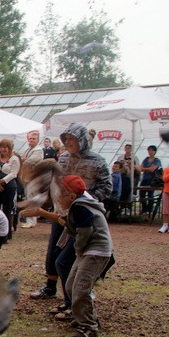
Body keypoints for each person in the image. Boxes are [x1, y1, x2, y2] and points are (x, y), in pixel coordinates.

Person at [22, 122, 111, 317]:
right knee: (55, 253)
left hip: (81, 215)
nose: (69, 142)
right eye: (66, 139)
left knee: (71, 257)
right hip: (61, 212)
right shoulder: (62, 159)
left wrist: (85, 201)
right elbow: (54, 184)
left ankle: (77, 297)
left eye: (72, 139)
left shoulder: (97, 161)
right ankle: (52, 287)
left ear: (82, 140)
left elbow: (107, 187)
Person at [55, 175, 113, 337]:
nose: (58, 199)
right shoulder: (79, 206)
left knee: (81, 288)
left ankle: (89, 327)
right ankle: (85, 317)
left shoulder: (80, 207)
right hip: (88, 250)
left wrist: (78, 250)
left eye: (60, 195)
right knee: (71, 286)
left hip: (96, 252)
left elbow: (84, 232)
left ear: (71, 196)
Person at [0, 138, 20, 240]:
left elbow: (13, 173)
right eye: (2, 147)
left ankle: (6, 235)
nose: (3, 149)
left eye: (5, 147)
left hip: (9, 186)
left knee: (7, 210)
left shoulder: (14, 159)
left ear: (9, 148)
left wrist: (2, 181)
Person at [20, 131, 45, 228]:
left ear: (37, 140)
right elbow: (23, 159)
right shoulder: (28, 149)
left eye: (33, 139)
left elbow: (29, 161)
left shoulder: (38, 150)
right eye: (30, 138)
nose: (31, 140)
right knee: (29, 198)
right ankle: (31, 220)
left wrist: (24, 159)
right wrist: (24, 159)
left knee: (32, 199)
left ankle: (31, 221)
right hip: (27, 177)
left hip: (34, 177)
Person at [138, 145, 162, 215]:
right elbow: (140, 168)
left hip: (152, 180)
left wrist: (145, 169)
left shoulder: (157, 160)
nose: (150, 152)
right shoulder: (146, 159)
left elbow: (152, 169)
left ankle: (150, 209)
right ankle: (144, 209)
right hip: (145, 178)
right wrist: (147, 169)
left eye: (152, 150)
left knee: (150, 195)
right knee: (142, 194)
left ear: (155, 151)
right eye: (149, 150)